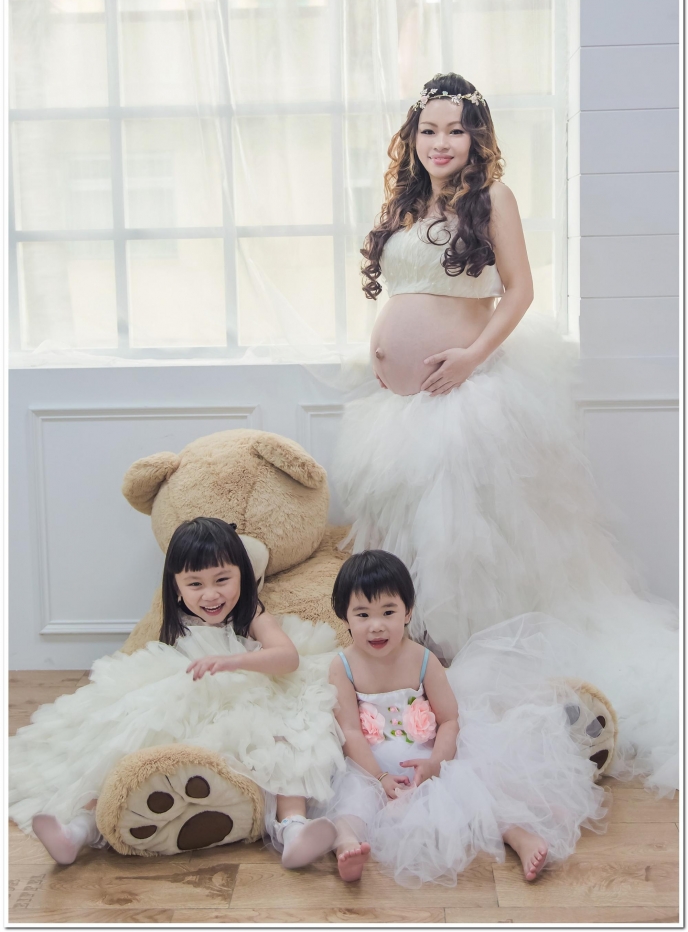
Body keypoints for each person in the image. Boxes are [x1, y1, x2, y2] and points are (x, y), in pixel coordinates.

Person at [333, 72, 678, 796]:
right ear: (412, 138)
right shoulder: (406, 202)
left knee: (464, 547)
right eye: (429, 130)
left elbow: (518, 290)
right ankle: (416, 679)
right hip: (398, 409)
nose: (441, 143)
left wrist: (469, 356)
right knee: (408, 543)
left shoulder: (492, 199)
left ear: (476, 137)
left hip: (467, 396)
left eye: (455, 130)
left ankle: (481, 688)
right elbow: (408, 292)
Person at [9, 517, 343, 868]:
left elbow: (288, 658)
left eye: (222, 580)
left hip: (256, 695)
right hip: (192, 700)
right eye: (195, 583)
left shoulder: (253, 614)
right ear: (177, 587)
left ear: (242, 576)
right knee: (127, 735)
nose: (210, 594)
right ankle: (80, 828)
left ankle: (293, 829)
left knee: (290, 738)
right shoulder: (179, 619)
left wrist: (233, 661)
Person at [314, 549, 607, 886]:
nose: (376, 625)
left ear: (408, 612)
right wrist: (379, 777)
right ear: (345, 617)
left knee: (475, 789)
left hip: (427, 754)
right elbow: (350, 730)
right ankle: (347, 846)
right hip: (369, 765)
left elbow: (449, 719)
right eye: (363, 614)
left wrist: (436, 763)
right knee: (352, 807)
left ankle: (520, 837)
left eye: (388, 612)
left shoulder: (423, 660)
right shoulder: (343, 666)